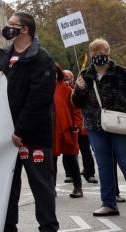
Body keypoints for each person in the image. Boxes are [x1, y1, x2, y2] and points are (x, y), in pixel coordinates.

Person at [0, 11, 58, 232]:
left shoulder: (42, 58)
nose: (7, 27)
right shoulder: (3, 55)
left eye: (12, 24)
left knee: (41, 185)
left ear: (25, 29)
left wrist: (20, 130)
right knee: (8, 186)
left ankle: (48, 227)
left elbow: (38, 100)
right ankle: (8, 226)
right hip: (6, 135)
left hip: (33, 136)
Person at [72, 38, 126, 220]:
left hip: (121, 126)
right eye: (96, 54)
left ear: (109, 53)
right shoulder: (85, 74)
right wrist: (79, 89)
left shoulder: (122, 72)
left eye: (103, 53)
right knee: (104, 166)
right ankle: (108, 204)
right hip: (95, 127)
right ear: (91, 55)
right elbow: (77, 103)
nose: (99, 57)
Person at [53, 66, 84, 198]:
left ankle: (78, 187)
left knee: (71, 159)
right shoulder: (40, 89)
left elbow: (76, 109)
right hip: (50, 131)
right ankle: (51, 188)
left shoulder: (66, 89)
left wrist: (76, 124)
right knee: (50, 162)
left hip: (67, 129)